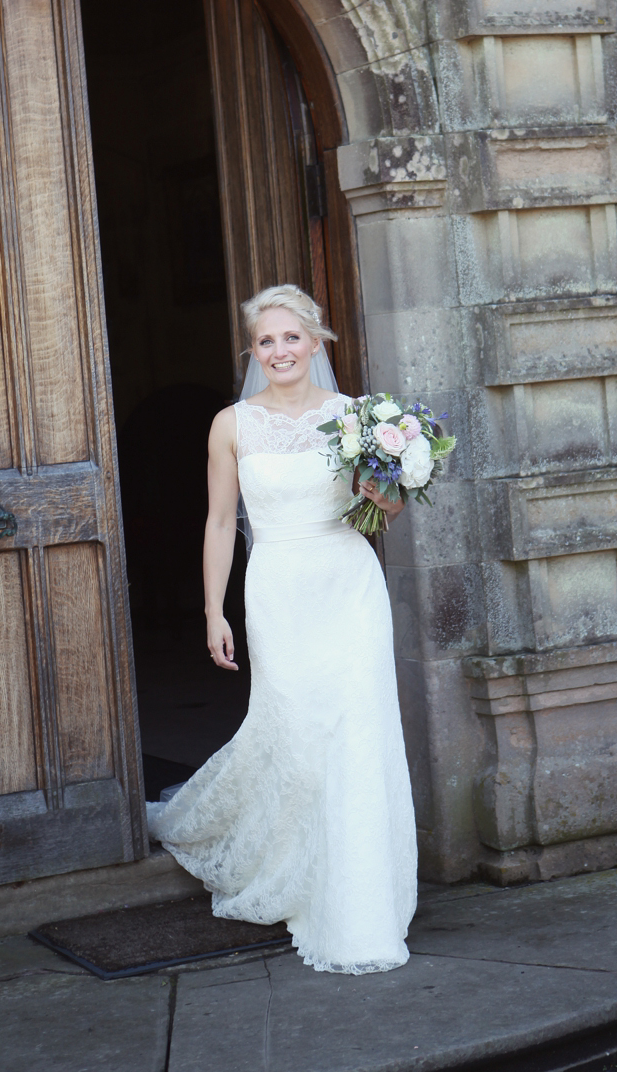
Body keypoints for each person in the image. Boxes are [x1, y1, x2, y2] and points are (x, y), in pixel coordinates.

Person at [146, 285, 417, 974]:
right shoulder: (231, 424)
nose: (279, 351)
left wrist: (387, 491)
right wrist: (214, 611)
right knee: (296, 734)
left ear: (316, 340)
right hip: (278, 590)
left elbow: (378, 516)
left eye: (291, 338)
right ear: (253, 352)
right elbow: (216, 523)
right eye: (266, 342)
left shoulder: (356, 417)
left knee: (356, 734)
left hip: (349, 585)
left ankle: (360, 906)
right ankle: (295, 869)